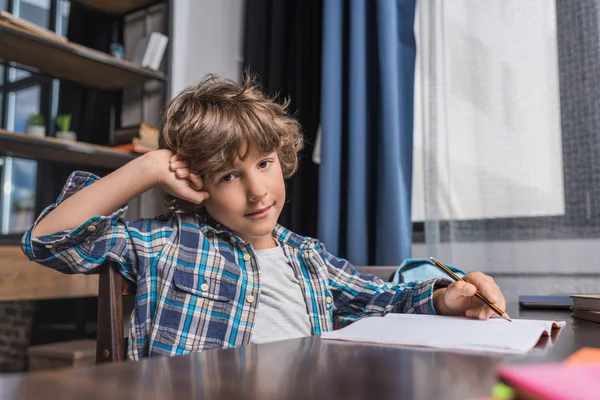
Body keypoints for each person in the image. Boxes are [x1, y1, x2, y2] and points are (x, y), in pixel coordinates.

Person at [21, 75, 506, 360]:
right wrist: (148, 167)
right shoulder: (166, 242)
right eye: (230, 176)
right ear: (195, 182)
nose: (257, 191)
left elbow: (382, 300)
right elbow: (47, 241)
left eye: (264, 164)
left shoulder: (308, 256)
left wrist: (448, 298)